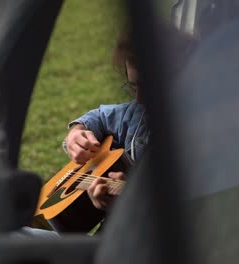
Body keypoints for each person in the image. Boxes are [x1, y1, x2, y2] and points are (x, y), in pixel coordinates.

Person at [63, 26, 196, 211]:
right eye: (134, 87)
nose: (139, 98)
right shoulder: (137, 114)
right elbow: (101, 117)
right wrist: (76, 133)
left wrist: (131, 209)